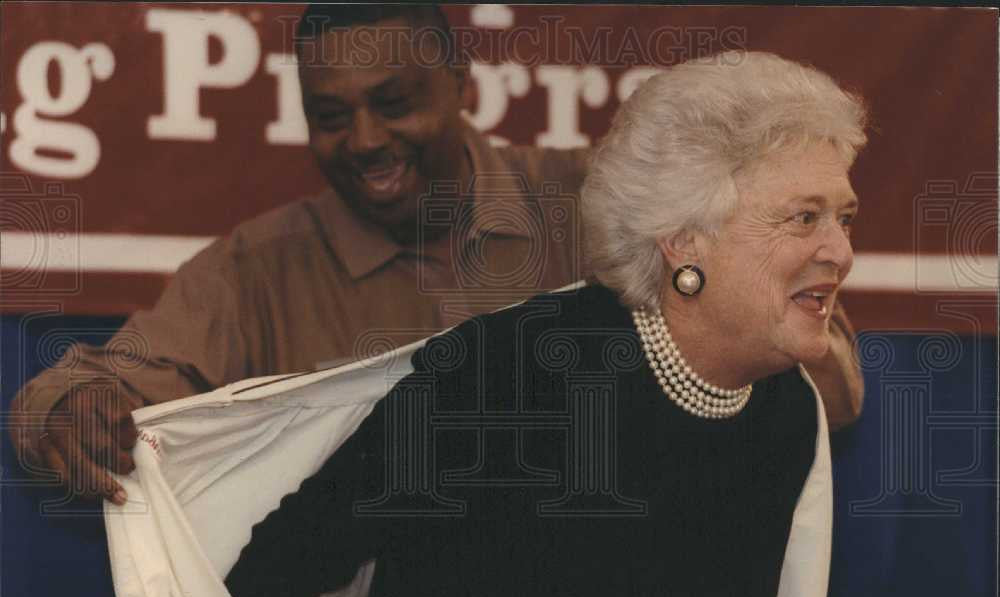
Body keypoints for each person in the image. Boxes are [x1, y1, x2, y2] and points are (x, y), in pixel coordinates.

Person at [222, 51, 892, 597]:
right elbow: (275, 573)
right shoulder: (507, 376)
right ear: (685, 240)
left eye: (845, 218)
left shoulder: (783, 414)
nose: (841, 250)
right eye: (804, 218)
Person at [8, 5, 864, 510]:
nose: (365, 142)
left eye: (393, 103)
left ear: (461, 84)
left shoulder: (604, 206)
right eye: (331, 115)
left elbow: (832, 388)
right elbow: (92, 385)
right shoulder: (255, 269)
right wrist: (71, 413)